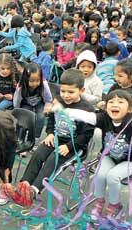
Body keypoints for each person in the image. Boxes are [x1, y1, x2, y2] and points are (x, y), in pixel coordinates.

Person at [7, 69, 95, 207]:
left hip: (75, 146)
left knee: (53, 159)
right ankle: (24, 185)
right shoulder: (58, 101)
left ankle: (34, 190)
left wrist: (69, 147)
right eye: (63, 91)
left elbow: (86, 136)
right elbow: (52, 119)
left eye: (71, 92)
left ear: (81, 90)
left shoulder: (87, 109)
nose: (66, 95)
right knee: (38, 154)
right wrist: (50, 133)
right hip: (56, 138)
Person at [58, 90, 132, 219]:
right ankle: (99, 202)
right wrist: (63, 110)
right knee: (100, 174)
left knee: (112, 177)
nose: (115, 104)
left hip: (129, 161)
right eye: (111, 102)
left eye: (120, 102)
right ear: (106, 106)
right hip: (110, 157)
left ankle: (115, 205)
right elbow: (85, 116)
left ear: (130, 109)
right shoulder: (104, 118)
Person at [13, 63, 52, 139]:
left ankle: (36, 137)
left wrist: (48, 105)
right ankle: (21, 138)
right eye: (32, 81)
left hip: (39, 103)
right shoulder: (21, 87)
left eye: (37, 80)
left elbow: (48, 98)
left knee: (41, 117)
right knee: (25, 118)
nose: (35, 83)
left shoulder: (44, 84)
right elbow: (17, 100)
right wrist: (17, 110)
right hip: (26, 103)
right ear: (26, 79)